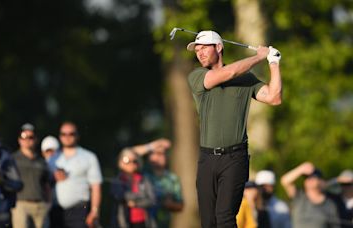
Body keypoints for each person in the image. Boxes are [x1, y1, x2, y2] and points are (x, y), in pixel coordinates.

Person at [186, 30, 282, 227]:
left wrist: (273, 63)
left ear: (219, 47)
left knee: (225, 218)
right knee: (208, 222)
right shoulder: (197, 76)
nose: (200, 53)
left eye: (204, 48)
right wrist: (259, 57)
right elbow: (228, 73)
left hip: (235, 159)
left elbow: (274, 97)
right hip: (207, 159)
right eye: (197, 49)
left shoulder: (246, 80)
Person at [53, 121, 102, 228]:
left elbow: (96, 187)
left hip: (79, 211)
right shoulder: (53, 158)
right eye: (63, 134)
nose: (67, 137)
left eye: (71, 134)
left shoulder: (89, 157)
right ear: (60, 136)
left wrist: (94, 211)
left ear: (77, 135)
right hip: (55, 211)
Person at [130, 138, 184, 228]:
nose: (157, 157)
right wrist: (153, 145)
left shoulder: (172, 179)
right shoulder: (142, 174)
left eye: (160, 154)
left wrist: (169, 204)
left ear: (166, 156)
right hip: (141, 223)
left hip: (163, 224)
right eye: (153, 153)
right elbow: (130, 153)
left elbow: (180, 205)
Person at [12, 123, 51, 228]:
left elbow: (46, 183)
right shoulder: (13, 159)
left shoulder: (41, 161)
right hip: (20, 204)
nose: (27, 140)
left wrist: (48, 203)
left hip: (40, 205)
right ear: (19, 140)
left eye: (31, 137)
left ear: (36, 140)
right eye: (24, 137)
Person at [281, 161, 341, 228]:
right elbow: (285, 181)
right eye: (306, 178)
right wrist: (300, 169)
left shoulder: (329, 204)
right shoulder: (299, 196)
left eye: (312, 177)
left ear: (320, 180)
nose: (308, 180)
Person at [110, 148, 156, 228]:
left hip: (143, 222)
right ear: (120, 163)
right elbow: (120, 196)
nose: (131, 163)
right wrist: (141, 196)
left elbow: (152, 200)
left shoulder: (144, 180)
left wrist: (135, 203)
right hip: (123, 222)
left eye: (134, 161)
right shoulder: (117, 180)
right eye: (127, 160)